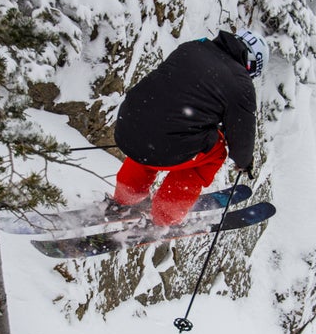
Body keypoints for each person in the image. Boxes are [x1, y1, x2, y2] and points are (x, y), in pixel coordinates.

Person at [111, 28, 268, 226]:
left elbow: (172, 91)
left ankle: (125, 197)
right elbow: (241, 136)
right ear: (251, 63)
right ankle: (165, 214)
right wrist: (244, 162)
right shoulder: (240, 82)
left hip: (129, 125)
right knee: (215, 153)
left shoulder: (193, 47)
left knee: (151, 135)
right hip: (164, 144)